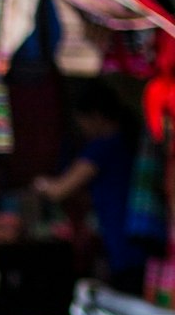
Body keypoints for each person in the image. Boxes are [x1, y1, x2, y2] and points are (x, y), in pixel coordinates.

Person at [33, 82, 144, 295]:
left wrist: (40, 185)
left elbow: (60, 190)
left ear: (96, 116)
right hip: (138, 238)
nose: (82, 129)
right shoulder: (128, 142)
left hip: (123, 241)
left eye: (82, 122)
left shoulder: (103, 148)